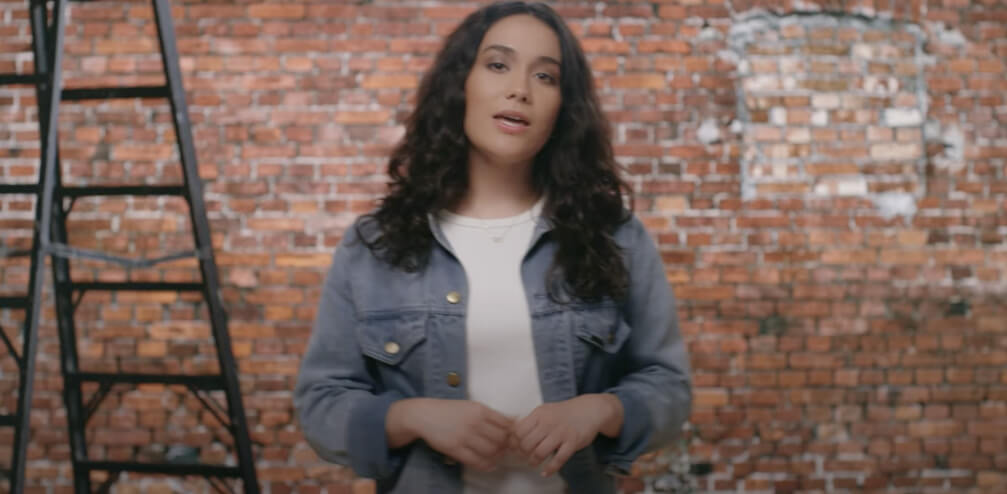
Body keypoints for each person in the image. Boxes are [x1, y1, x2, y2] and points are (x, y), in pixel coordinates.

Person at [294, 2, 691, 493]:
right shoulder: (373, 245)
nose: (520, 89)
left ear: (563, 107)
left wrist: (602, 410)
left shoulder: (616, 237)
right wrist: (412, 417)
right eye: (498, 65)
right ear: (460, 84)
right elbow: (321, 404)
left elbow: (669, 386)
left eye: (545, 77)